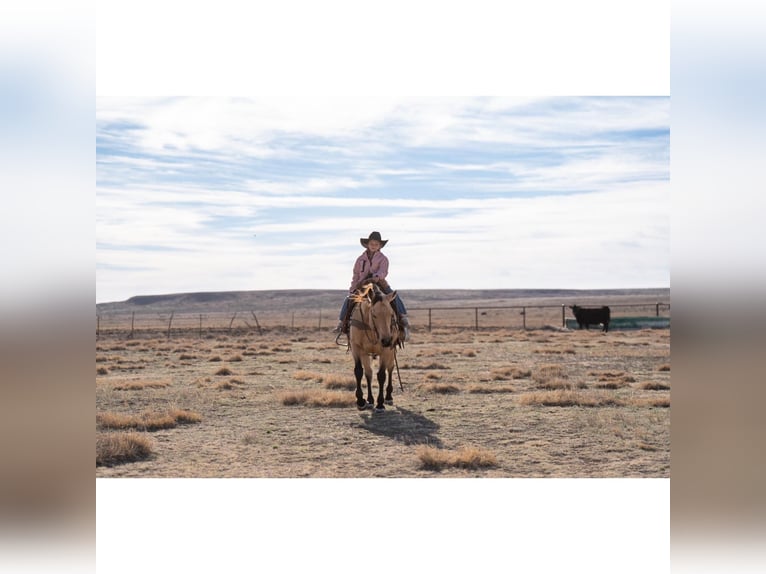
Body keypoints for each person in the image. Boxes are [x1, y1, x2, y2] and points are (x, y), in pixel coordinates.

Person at [334, 231, 410, 341]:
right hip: (362, 285)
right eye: (372, 244)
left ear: (380, 246)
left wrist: (376, 277)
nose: (373, 246)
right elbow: (356, 274)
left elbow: (384, 271)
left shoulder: (383, 258)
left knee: (393, 296)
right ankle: (343, 323)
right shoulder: (360, 259)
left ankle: (402, 319)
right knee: (349, 299)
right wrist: (353, 288)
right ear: (367, 245)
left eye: (376, 244)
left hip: (379, 283)